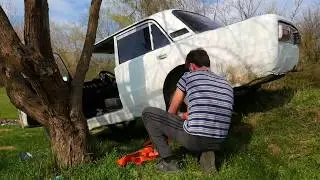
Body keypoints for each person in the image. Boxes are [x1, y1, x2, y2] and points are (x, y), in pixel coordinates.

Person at [142, 48, 234, 173]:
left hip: (196, 138)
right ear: (207, 65)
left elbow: (171, 113)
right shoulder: (226, 84)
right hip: (219, 140)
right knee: (202, 131)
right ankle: (205, 152)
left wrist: (182, 116)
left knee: (148, 114)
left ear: (191, 66)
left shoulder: (188, 76)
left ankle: (169, 162)